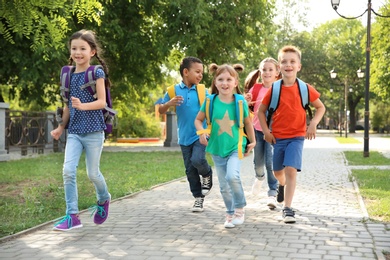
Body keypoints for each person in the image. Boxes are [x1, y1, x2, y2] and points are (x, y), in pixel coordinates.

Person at [51, 29, 111, 231]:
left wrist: (83, 105)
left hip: (94, 131)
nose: (78, 52)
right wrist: (61, 127)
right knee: (68, 171)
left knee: (93, 174)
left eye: (83, 48)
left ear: (92, 52)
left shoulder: (96, 73)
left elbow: (102, 102)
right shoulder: (67, 74)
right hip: (75, 132)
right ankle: (72, 216)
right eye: (74, 48)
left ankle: (104, 199)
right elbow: (68, 105)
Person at [258, 45, 326, 223]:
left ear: (299, 66)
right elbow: (260, 111)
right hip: (277, 137)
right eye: (284, 62)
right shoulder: (275, 89)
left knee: (291, 170)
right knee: (277, 171)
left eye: (292, 61)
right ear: (279, 66)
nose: (288, 65)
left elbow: (320, 107)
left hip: (297, 136)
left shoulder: (305, 88)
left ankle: (287, 208)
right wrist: (266, 131)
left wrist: (312, 124)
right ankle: (281, 184)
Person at [195, 63, 256, 228]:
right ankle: (229, 214)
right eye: (220, 79)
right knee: (223, 186)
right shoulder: (210, 101)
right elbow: (198, 120)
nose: (225, 83)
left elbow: (248, 122)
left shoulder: (240, 101)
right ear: (215, 82)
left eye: (229, 79)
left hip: (235, 146)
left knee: (232, 176)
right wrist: (201, 133)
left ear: (235, 82)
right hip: (216, 148)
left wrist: (253, 140)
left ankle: (240, 208)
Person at [158, 56, 213, 212]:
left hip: (200, 134)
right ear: (186, 72)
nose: (200, 75)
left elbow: (214, 106)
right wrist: (169, 103)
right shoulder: (173, 90)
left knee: (198, 159)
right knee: (190, 170)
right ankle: (198, 198)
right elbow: (161, 109)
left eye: (202, 72)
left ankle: (207, 173)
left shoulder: (203, 90)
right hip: (184, 137)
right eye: (197, 71)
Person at [244, 58, 280, 210]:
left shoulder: (280, 89)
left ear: (277, 73)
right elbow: (247, 108)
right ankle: (260, 177)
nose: (267, 72)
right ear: (260, 72)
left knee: (270, 162)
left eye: (270, 69)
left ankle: (272, 191)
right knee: (258, 162)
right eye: (264, 69)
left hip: (273, 131)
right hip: (257, 130)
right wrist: (245, 101)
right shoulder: (256, 89)